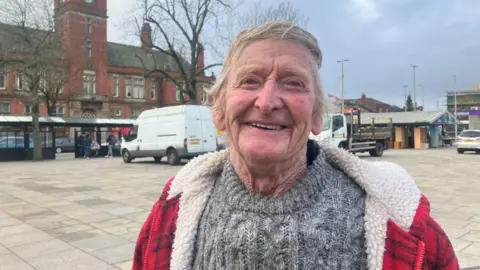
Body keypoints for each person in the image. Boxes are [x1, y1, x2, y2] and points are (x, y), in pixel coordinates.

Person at [133, 22, 459, 270]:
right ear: (218, 109)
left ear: (317, 115)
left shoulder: (404, 227)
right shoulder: (168, 216)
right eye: (250, 81)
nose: (268, 101)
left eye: (293, 83)